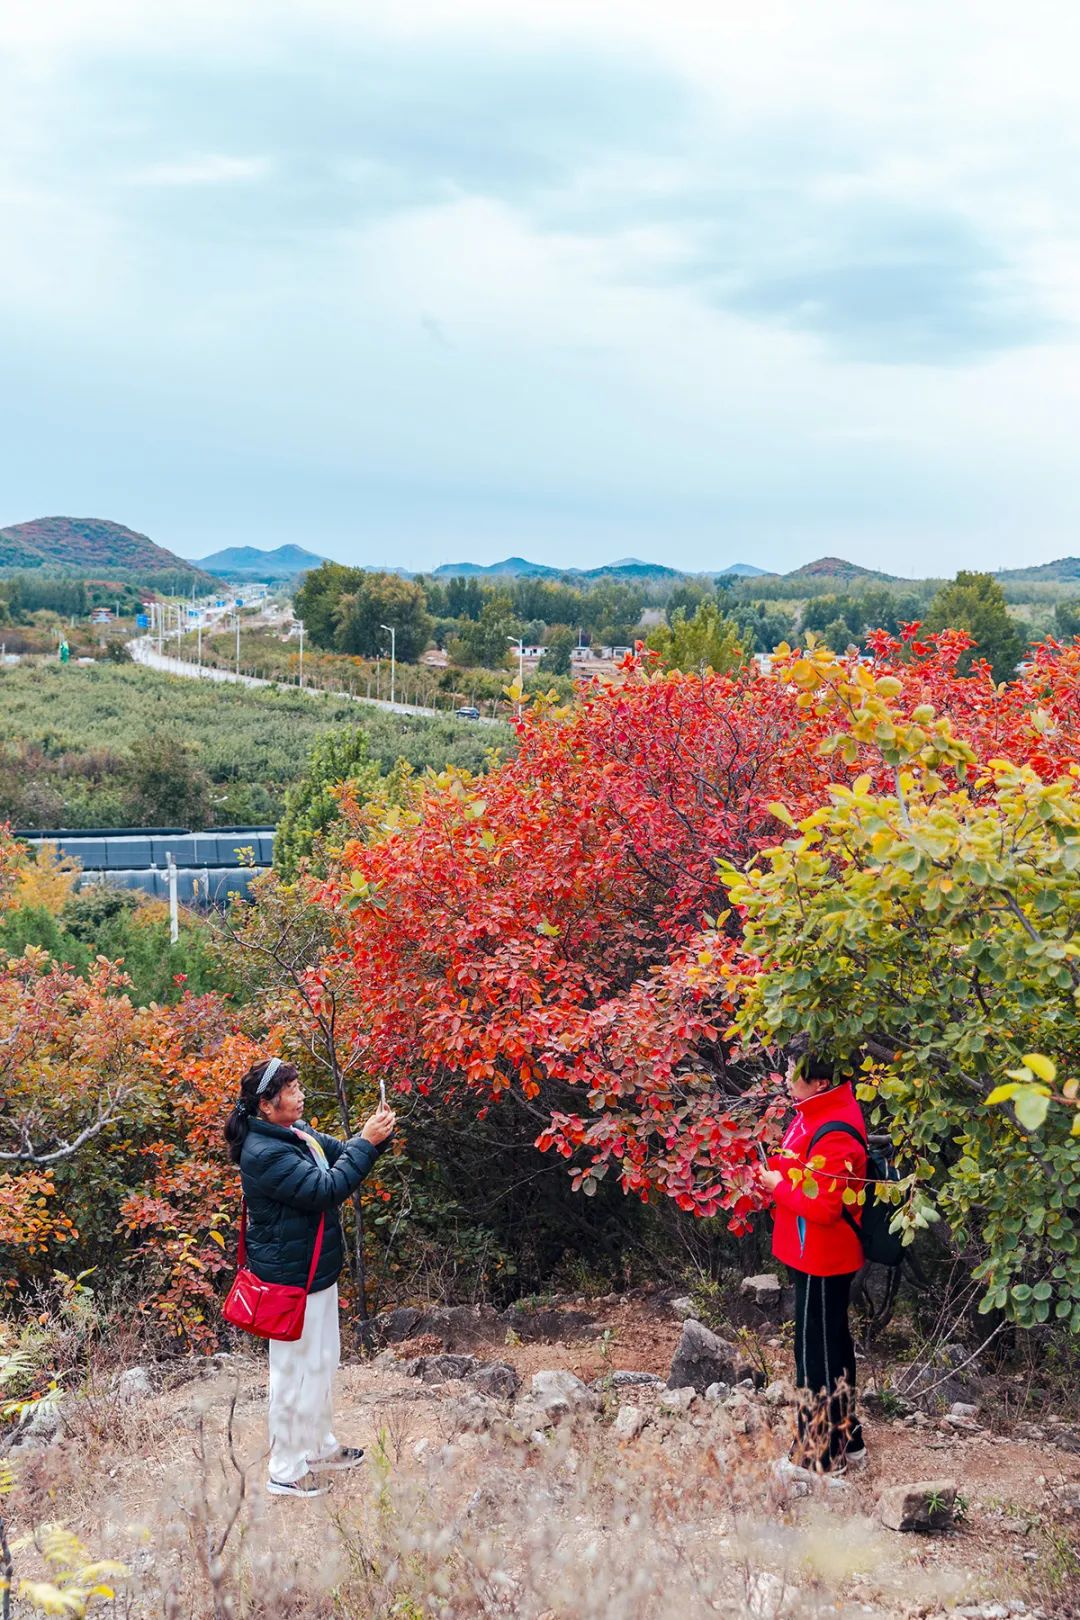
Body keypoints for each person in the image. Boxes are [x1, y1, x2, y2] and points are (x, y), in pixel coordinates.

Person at [224, 1056, 396, 1499]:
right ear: (266, 1104)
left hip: (314, 1272)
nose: (301, 1094)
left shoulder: (294, 1134)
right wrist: (367, 1144)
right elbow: (326, 1190)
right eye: (292, 1089)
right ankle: (284, 1469)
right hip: (288, 1280)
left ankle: (318, 1446)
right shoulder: (264, 1153)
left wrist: (371, 1139)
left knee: (321, 1363)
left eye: (299, 1086)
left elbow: (341, 1156)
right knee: (291, 1375)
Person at [758, 1049, 868, 1475]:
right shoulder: (816, 1112)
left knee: (816, 1354)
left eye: (793, 1070)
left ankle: (819, 1454)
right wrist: (777, 1177)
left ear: (820, 1081)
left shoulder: (834, 1126)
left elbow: (824, 1207)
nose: (786, 1076)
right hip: (810, 1251)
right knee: (831, 1345)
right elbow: (804, 1170)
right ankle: (848, 1438)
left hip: (822, 1255)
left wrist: (777, 1185)